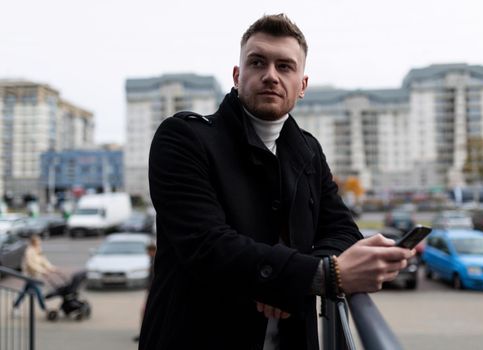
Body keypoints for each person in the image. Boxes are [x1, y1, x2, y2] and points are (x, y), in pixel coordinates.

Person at [140, 14, 413, 350]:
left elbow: (341, 229)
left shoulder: (308, 150)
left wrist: (287, 283)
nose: (270, 75)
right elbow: (207, 245)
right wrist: (320, 276)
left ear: (302, 86)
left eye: (285, 66)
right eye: (258, 62)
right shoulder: (183, 138)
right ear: (238, 76)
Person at [13, 235, 56, 313]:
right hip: (30, 276)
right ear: (34, 242)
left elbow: (43, 260)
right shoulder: (29, 251)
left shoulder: (38, 249)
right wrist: (42, 271)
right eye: (38, 240)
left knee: (24, 291)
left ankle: (16, 305)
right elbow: (31, 264)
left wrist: (50, 267)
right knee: (38, 291)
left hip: (35, 275)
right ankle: (45, 309)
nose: (40, 242)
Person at [133, 242, 157, 342]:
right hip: (151, 289)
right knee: (145, 312)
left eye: (149, 251)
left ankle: (146, 333)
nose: (148, 253)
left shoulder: (155, 260)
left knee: (145, 312)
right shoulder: (152, 260)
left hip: (152, 290)